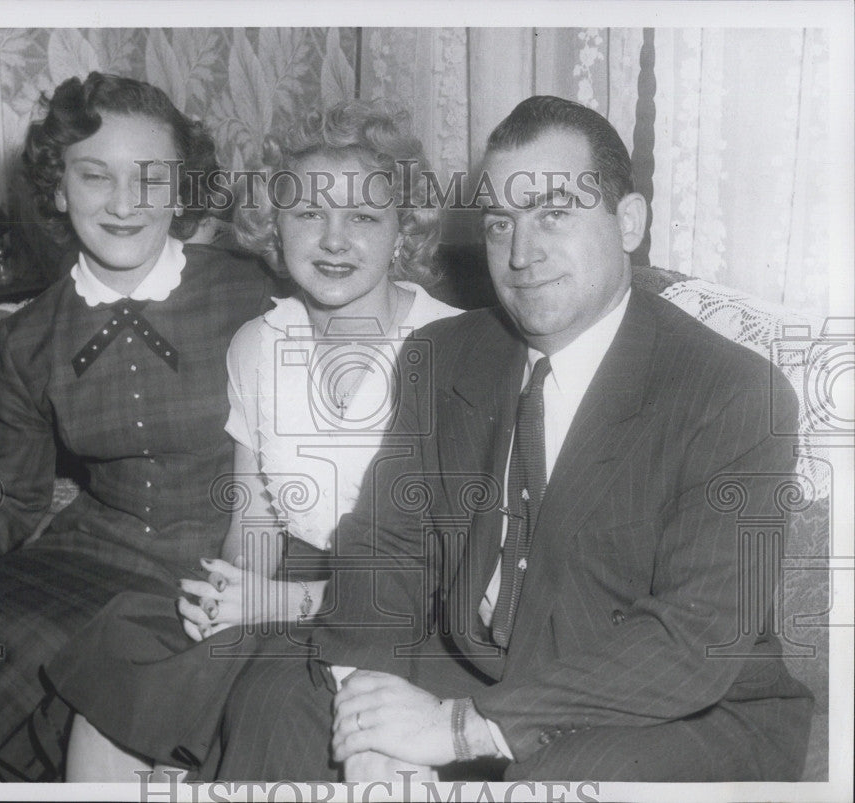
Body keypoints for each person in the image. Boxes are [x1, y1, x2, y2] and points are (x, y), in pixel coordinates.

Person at [213, 95, 814, 782]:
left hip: (677, 706)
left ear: (629, 222)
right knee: (280, 696)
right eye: (501, 222)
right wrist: (369, 719)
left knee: (551, 781)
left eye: (554, 212)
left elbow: (692, 642)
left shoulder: (734, 392)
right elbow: (387, 553)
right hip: (477, 660)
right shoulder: (441, 356)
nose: (522, 254)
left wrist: (460, 726)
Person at [39, 100, 462, 781]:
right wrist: (236, 589)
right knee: (118, 676)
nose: (333, 240)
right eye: (307, 214)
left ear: (400, 229)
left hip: (405, 611)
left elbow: (457, 573)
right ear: (275, 224)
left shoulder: (457, 350)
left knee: (266, 715)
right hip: (289, 580)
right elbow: (256, 513)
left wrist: (281, 604)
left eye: (361, 217)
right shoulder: (258, 343)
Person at [0, 72, 274, 781]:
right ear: (58, 188)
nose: (124, 203)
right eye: (95, 176)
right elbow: (7, 492)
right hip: (87, 555)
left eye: (151, 179)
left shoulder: (251, 291)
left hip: (208, 572)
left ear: (180, 190)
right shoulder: (30, 336)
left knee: (2, 708)